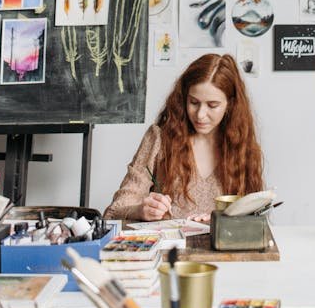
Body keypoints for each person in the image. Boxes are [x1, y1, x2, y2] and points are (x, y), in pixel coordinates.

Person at [105, 53, 264, 221]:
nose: (201, 115)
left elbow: (254, 220)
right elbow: (114, 211)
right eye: (194, 102)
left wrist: (217, 222)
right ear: (184, 98)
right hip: (168, 246)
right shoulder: (159, 138)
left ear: (230, 105)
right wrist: (140, 211)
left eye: (212, 105)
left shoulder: (240, 146)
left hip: (219, 246)